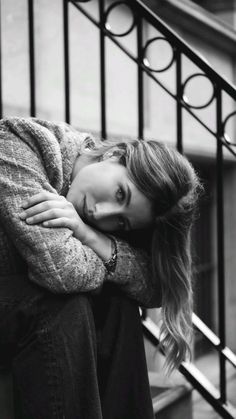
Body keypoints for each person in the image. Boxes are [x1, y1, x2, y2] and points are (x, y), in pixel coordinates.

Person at [0, 116, 201, 418]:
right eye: (121, 193)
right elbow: (61, 269)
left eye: (121, 222)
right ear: (114, 154)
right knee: (59, 303)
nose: (100, 213)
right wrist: (107, 260)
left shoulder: (93, 223)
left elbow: (156, 286)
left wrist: (92, 238)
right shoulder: (21, 142)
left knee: (118, 304)